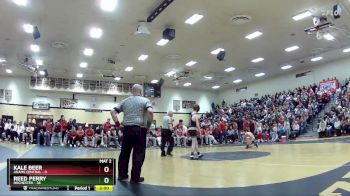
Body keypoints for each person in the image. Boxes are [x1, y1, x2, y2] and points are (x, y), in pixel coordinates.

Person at [110, 84, 153, 183]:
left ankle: (122, 175)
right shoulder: (145, 100)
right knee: (138, 154)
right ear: (141, 91)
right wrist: (148, 126)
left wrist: (118, 124)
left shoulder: (125, 101)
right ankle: (135, 178)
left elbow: (113, 112)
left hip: (126, 129)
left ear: (132, 91)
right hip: (139, 129)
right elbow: (150, 112)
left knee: (124, 153)